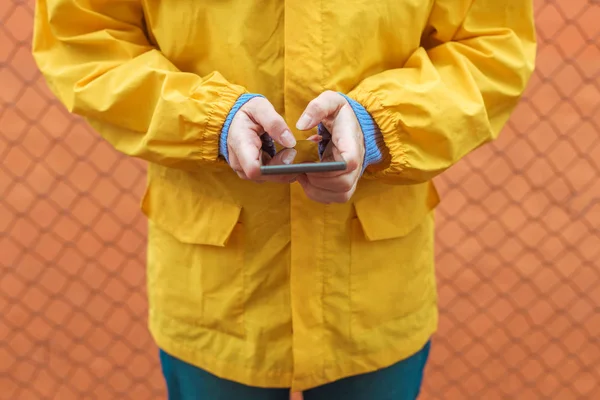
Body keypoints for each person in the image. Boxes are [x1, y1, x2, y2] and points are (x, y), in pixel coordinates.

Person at [32, 0, 536, 398]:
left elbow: (491, 44)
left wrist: (379, 126)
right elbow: (82, 35)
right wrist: (207, 119)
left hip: (373, 292)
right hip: (218, 296)